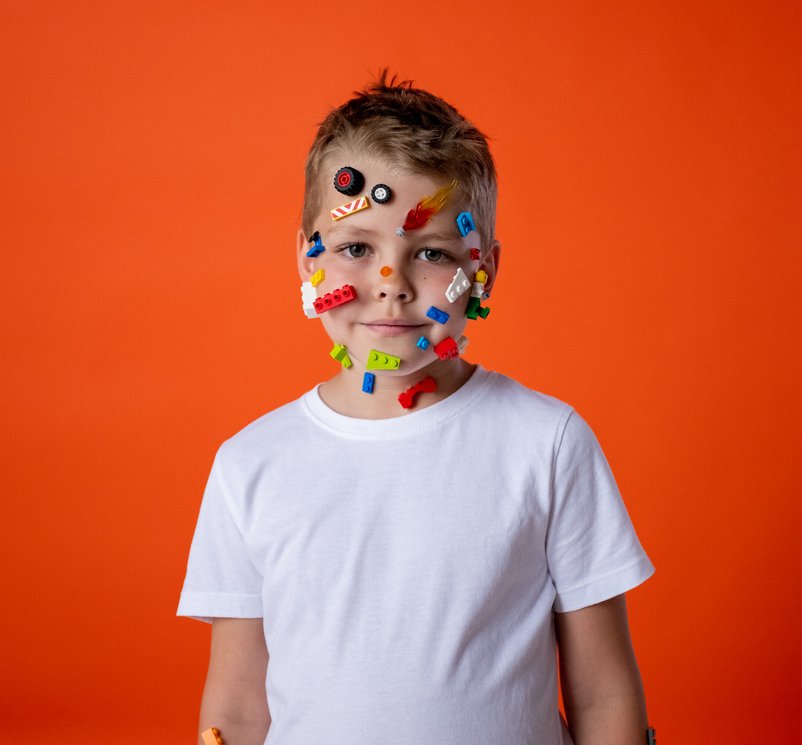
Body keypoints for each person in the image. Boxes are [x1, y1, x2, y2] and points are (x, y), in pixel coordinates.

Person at [177, 70, 655, 745]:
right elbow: (236, 710)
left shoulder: (547, 443)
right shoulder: (249, 465)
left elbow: (604, 696)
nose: (391, 284)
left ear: (484, 269)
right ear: (307, 261)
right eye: (355, 247)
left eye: (431, 252)